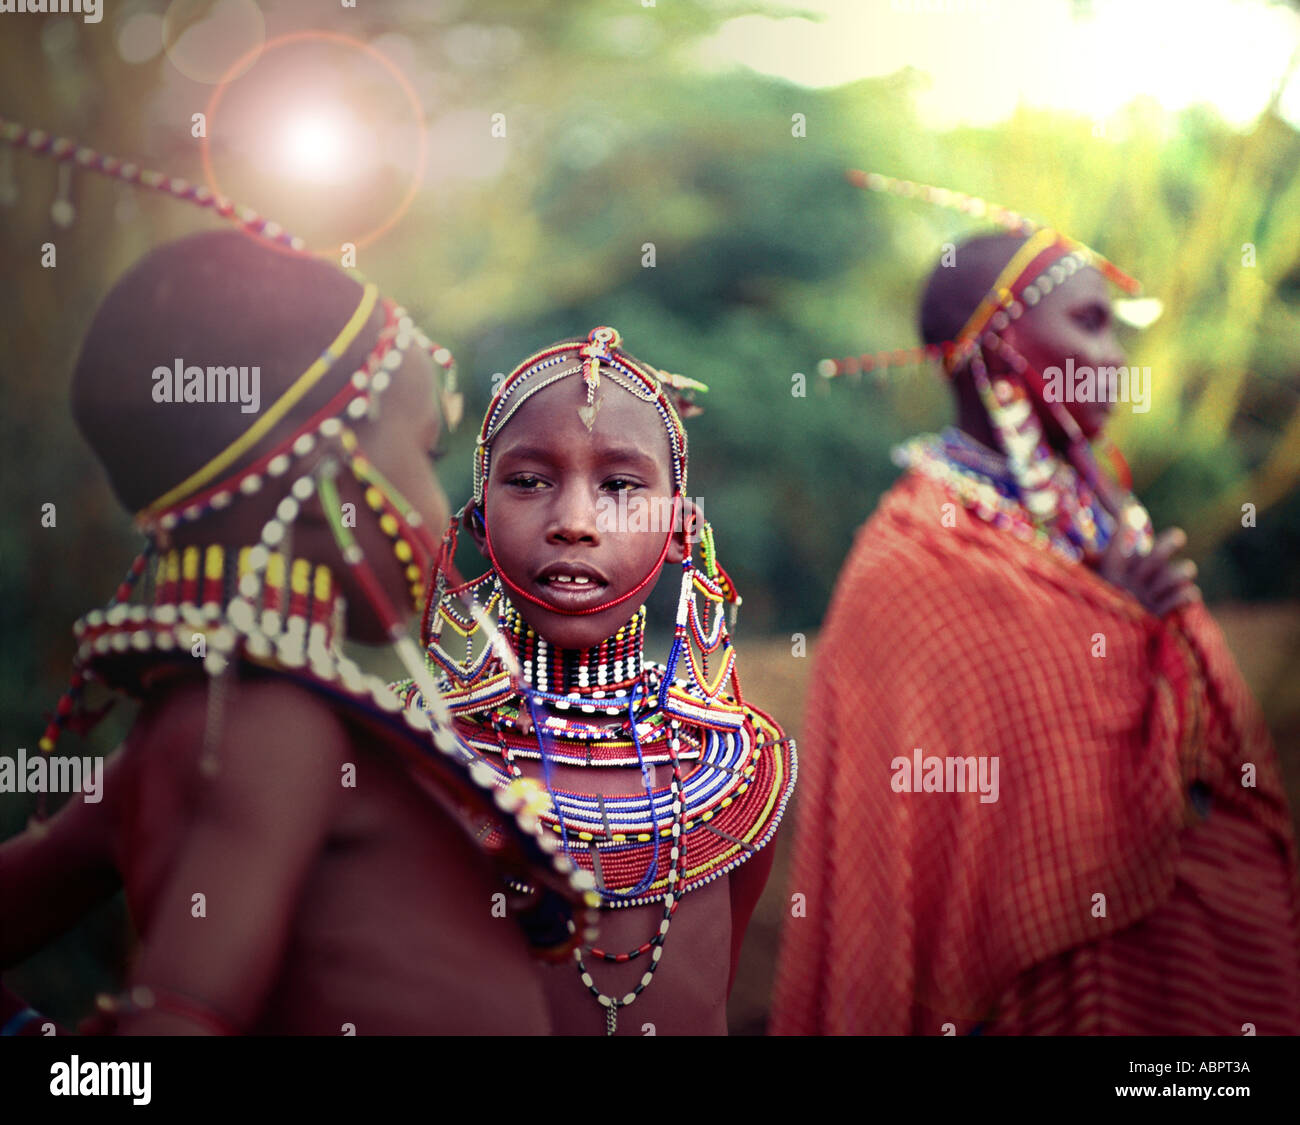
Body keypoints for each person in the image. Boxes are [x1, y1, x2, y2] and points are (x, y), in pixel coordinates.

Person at [0, 223, 596, 1036]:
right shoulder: (271, 723)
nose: (443, 506)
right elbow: (182, 1016)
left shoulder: (208, 727)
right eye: (426, 450)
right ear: (326, 469)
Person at [770, 182, 1300, 1035]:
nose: (1118, 352)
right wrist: (1115, 625)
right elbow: (928, 816)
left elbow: (1201, 749)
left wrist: (1129, 627)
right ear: (996, 350)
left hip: (1173, 963)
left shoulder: (1101, 509)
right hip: (1017, 986)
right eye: (1091, 324)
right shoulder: (910, 560)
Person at [399, 326, 797, 1035]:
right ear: (480, 517)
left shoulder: (732, 769)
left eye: (620, 484)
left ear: (679, 524)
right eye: (528, 481)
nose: (575, 522)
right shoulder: (413, 757)